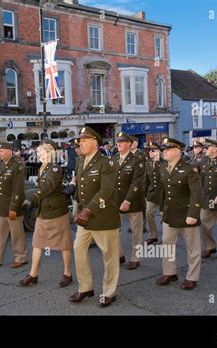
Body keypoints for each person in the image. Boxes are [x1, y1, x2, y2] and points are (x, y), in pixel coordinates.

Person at [69, 126, 120, 308]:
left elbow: (106, 190)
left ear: (94, 143)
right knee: (78, 249)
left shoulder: (107, 163)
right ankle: (85, 288)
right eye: (79, 141)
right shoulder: (81, 161)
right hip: (85, 218)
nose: (80, 144)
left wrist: (88, 210)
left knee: (109, 255)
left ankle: (109, 292)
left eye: (84, 141)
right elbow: (82, 189)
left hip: (103, 215)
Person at [19, 140, 73, 288]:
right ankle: (33, 274)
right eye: (38, 153)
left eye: (41, 152)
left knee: (64, 244)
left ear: (50, 153)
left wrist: (32, 198)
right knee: (37, 242)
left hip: (56, 211)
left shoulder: (55, 169)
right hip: (44, 211)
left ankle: (67, 274)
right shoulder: (42, 167)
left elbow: (48, 187)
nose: (39, 155)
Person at [157, 137, 202, 290]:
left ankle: (192, 277)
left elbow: (196, 193)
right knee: (167, 244)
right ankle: (169, 272)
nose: (164, 152)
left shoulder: (189, 168)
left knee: (192, 247)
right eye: (163, 149)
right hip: (170, 213)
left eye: (167, 149)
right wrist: (162, 207)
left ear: (177, 151)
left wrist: (193, 214)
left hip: (186, 213)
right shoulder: (163, 167)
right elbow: (164, 188)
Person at [113, 131, 145, 270]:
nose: (118, 144)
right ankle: (119, 254)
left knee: (136, 232)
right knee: (114, 230)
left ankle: (135, 258)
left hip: (133, 201)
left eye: (122, 142)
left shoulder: (137, 159)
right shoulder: (114, 159)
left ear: (129, 144)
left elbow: (137, 182)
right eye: (118, 142)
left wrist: (128, 200)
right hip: (116, 200)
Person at [144, 141, 165, 245]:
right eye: (149, 151)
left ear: (159, 151)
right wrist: (144, 195)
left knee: (163, 215)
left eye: (153, 150)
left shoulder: (164, 162)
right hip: (151, 193)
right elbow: (146, 180)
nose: (151, 153)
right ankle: (153, 235)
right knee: (148, 213)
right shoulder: (147, 163)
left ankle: (165, 237)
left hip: (163, 193)